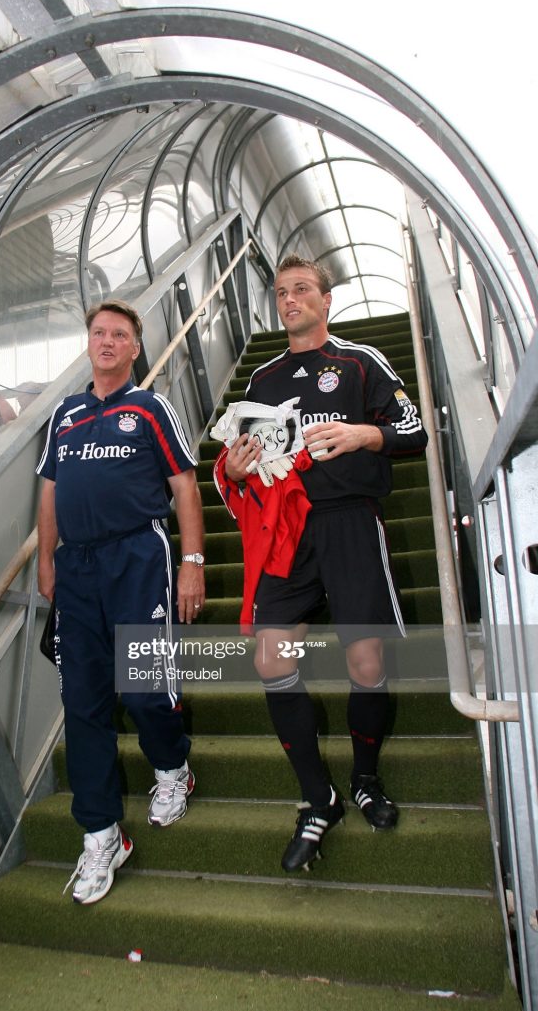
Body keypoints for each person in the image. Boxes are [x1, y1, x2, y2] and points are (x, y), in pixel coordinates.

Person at [215, 254, 427, 873]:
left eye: (301, 289)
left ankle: (364, 779)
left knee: (366, 661)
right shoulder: (262, 380)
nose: (289, 300)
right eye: (281, 292)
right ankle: (319, 798)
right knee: (271, 658)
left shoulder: (361, 361)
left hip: (351, 524)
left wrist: (364, 434)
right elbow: (243, 459)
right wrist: (235, 470)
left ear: (326, 300)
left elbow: (413, 429)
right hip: (288, 532)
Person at [36, 299, 205, 906]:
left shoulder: (151, 407)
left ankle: (173, 767)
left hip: (138, 558)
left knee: (141, 687)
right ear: (89, 343)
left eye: (119, 335)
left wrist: (192, 563)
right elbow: (49, 490)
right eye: (99, 333)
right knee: (82, 703)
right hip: (77, 569)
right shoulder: (64, 415)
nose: (107, 342)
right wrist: (46, 559)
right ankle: (102, 833)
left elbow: (184, 484)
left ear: (135, 347)